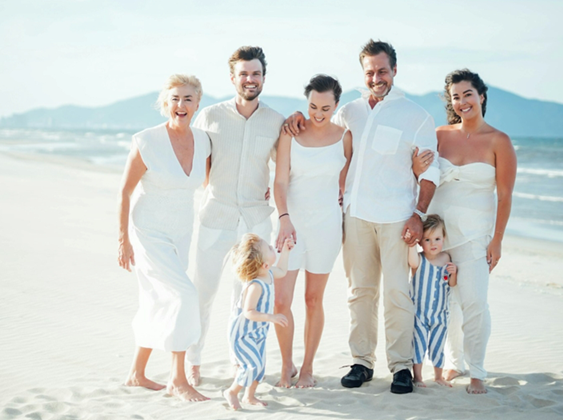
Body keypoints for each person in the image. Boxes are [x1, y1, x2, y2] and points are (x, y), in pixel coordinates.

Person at [284, 39, 440, 394]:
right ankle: (362, 362)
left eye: (382, 71)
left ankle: (400, 366)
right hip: (355, 215)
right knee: (360, 292)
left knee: (398, 293)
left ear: (394, 70)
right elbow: (321, 130)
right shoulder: (349, 111)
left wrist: (418, 214)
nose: (376, 78)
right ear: (363, 73)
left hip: (398, 217)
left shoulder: (417, 116)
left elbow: (432, 171)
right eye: (370, 72)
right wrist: (296, 117)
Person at [186, 46, 285, 386]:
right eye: (244, 74)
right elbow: (199, 160)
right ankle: (193, 360)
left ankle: (239, 362)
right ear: (233, 78)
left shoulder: (276, 121)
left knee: (245, 295)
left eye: (256, 73)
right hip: (216, 215)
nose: (250, 79)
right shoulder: (210, 116)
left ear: (263, 78)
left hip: (256, 221)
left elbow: (284, 169)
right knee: (203, 292)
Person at [414, 68, 517, 394]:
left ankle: (477, 372)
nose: (462, 102)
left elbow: (505, 196)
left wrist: (497, 240)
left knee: (474, 303)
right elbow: (417, 173)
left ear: (481, 96)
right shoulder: (439, 134)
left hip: (474, 237)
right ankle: (453, 362)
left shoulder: (499, 141)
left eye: (467, 94)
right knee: (444, 305)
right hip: (436, 237)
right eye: (456, 97)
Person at [117, 74, 211, 402]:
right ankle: (178, 379)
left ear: (197, 104)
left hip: (181, 233)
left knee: (157, 300)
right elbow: (125, 192)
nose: (181, 105)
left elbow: (209, 183)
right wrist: (123, 240)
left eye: (188, 99)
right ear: (165, 103)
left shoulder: (204, 141)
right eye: (175, 99)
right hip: (148, 233)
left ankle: (136, 373)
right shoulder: (147, 141)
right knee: (184, 297)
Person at [272, 74, 352, 388]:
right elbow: (280, 181)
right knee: (281, 300)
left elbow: (346, 181)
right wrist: (284, 217)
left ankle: (307, 368)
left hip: (326, 227)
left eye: (326, 108)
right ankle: (286, 366)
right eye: (313, 107)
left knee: (313, 299)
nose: (318, 114)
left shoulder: (345, 137)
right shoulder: (291, 132)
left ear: (337, 105)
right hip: (290, 225)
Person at [224, 233, 293, 410]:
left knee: (260, 365)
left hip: (258, 332)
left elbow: (282, 271)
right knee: (251, 365)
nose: (272, 247)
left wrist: (286, 251)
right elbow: (248, 312)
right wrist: (271, 317)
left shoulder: (269, 273)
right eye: (269, 248)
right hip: (243, 334)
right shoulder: (255, 285)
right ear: (264, 264)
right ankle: (232, 392)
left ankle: (249, 396)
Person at [408, 215, 457, 388]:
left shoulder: (446, 258)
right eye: (427, 240)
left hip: (440, 314)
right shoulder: (419, 259)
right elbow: (411, 261)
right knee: (419, 345)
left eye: (437, 239)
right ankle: (418, 377)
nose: (433, 243)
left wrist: (454, 273)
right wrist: (411, 243)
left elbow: (451, 284)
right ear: (421, 242)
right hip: (420, 313)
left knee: (438, 346)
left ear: (444, 238)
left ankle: (438, 376)